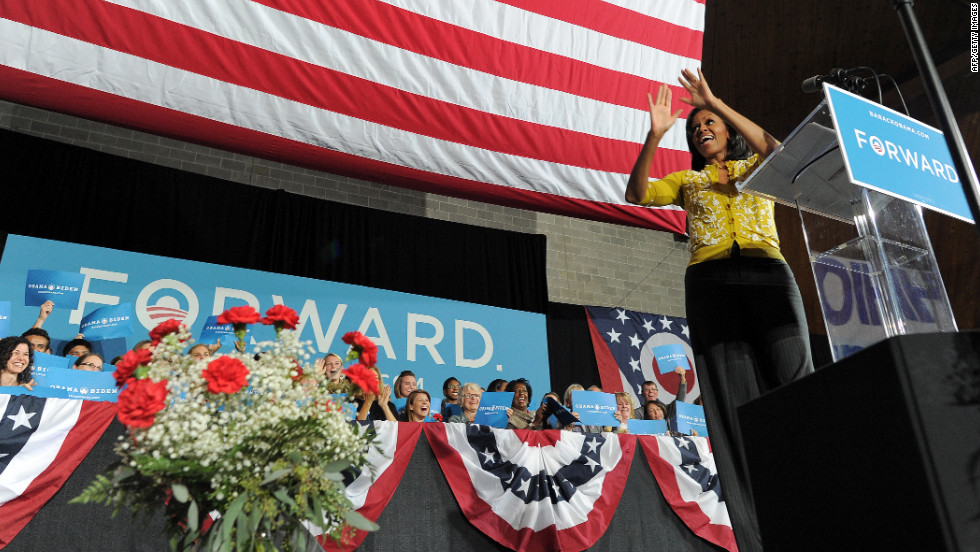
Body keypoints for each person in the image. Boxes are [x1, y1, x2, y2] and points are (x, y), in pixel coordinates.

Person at [625, 68, 814, 552]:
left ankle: (818, 497)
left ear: (727, 131)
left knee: (796, 383)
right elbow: (638, 194)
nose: (702, 129)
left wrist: (714, 100)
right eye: (695, 128)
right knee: (732, 404)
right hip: (712, 286)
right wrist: (655, 136)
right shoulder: (688, 180)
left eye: (709, 123)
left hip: (769, 278)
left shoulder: (758, 170)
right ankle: (759, 536)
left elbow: (776, 148)